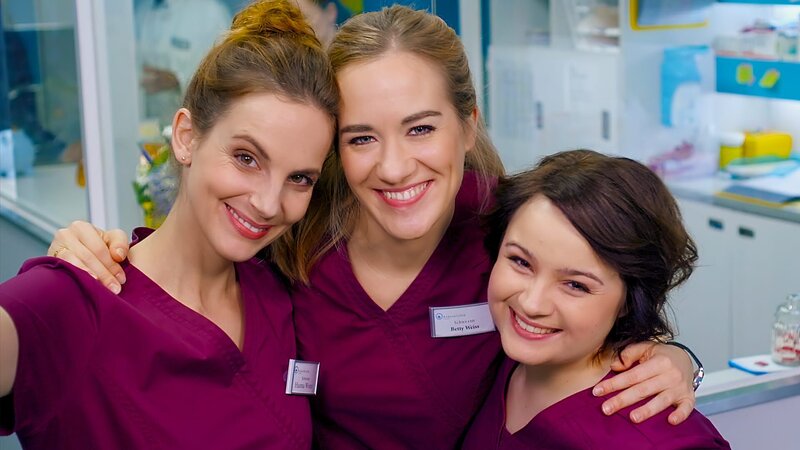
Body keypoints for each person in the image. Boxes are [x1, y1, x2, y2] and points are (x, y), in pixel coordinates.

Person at [46, 6, 699, 449]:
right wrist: (90, 259)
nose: (394, 167)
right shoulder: (292, 239)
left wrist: (676, 360)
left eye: (421, 128)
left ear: (467, 124)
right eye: (361, 137)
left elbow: (599, 309)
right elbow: (186, 272)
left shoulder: (508, 235)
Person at [0, 1, 338, 448]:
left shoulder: (280, 292)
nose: (268, 203)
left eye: (299, 178)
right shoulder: (75, 299)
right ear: (186, 136)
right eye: (246, 158)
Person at [462, 150, 729, 449]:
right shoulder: (496, 362)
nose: (531, 304)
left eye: (575, 285)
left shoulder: (660, 438)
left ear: (631, 298)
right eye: (521, 262)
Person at [136, 0, 233, 127]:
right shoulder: (141, 9)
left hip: (192, 126)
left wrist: (179, 79)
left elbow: (225, 76)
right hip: (145, 127)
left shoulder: (211, 13)